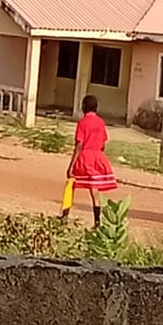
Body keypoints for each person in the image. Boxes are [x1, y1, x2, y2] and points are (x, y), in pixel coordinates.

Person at [62, 94, 118, 226]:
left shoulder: (82, 123)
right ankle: (97, 221)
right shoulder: (101, 122)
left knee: (71, 183)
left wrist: (71, 165)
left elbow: (79, 145)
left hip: (84, 157)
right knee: (94, 190)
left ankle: (65, 216)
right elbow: (103, 143)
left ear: (84, 107)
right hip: (98, 156)